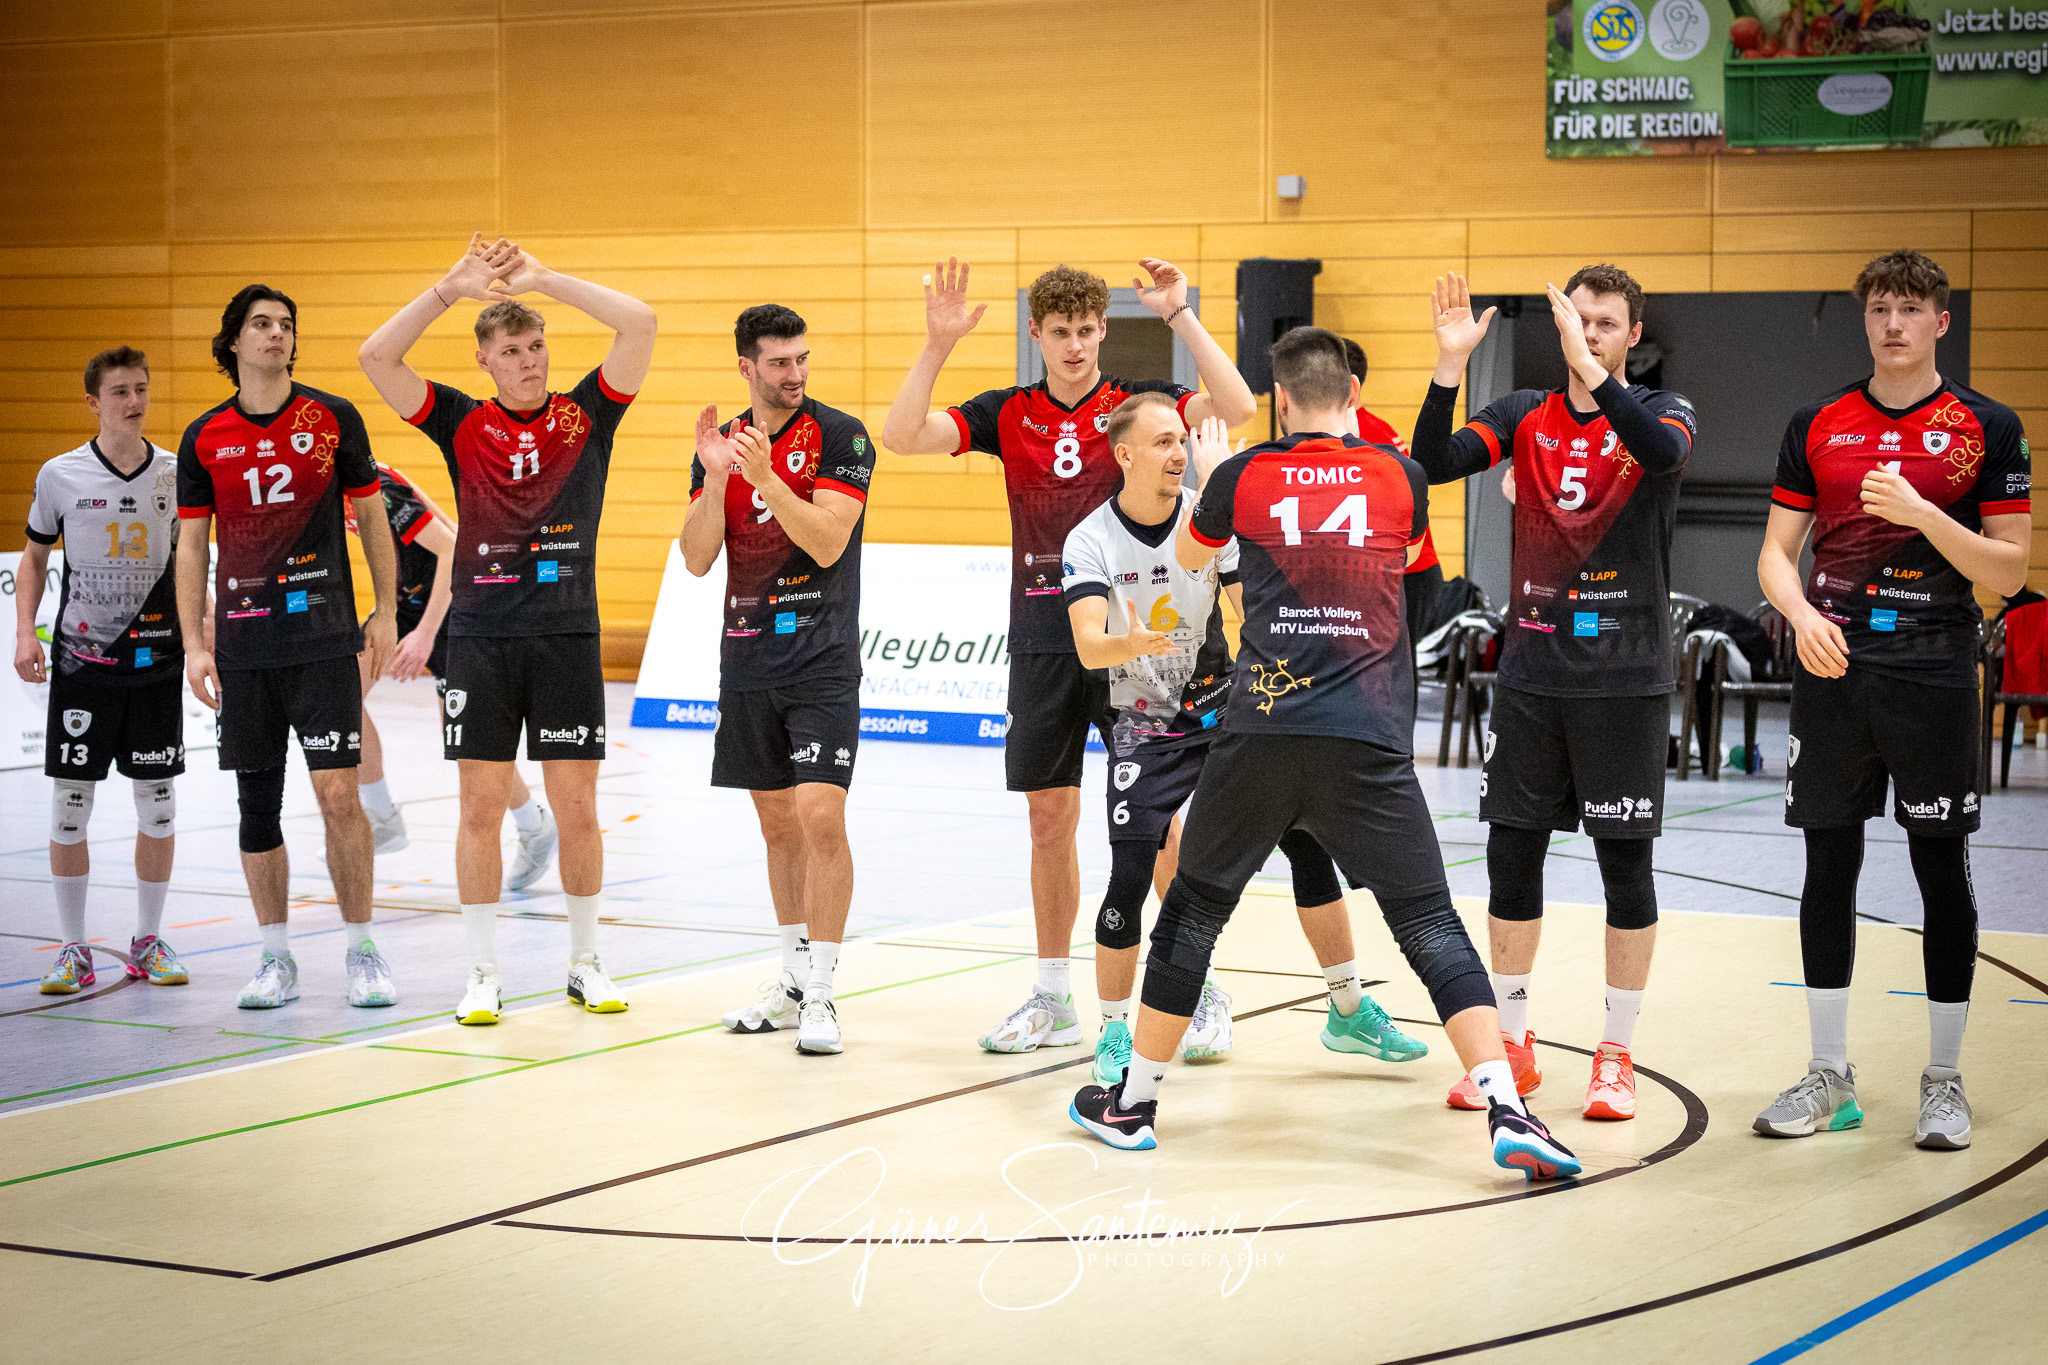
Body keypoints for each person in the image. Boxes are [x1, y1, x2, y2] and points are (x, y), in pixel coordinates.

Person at [1067, 327, 1579, 1181]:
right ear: (1349, 394)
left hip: (1260, 732)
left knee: (1193, 911)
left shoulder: (1239, 478)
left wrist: (1212, 479)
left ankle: (1135, 1103)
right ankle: (1507, 1106)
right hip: (1367, 735)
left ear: (1277, 398)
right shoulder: (1397, 476)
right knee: (1429, 923)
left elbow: (1193, 563)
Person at [881, 256, 1258, 1054]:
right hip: (1048, 640)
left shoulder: (1136, 408)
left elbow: (1238, 406)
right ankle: (1054, 999)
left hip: (1147, 642)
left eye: (1089, 330)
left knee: (1155, 825)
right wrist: (936, 344)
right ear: (1037, 336)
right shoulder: (1007, 411)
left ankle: (1198, 986)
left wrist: (1180, 317)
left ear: (1102, 330)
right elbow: (902, 435)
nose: (1078, 345)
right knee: (1048, 817)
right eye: (1062, 332)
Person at [1063, 397, 1431, 1085]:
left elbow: (1251, 608)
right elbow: (1087, 648)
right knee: (1130, 873)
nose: (1179, 453)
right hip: (1144, 724)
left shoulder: (1211, 518)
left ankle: (1347, 1008)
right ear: (1125, 454)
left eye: (1183, 441)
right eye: (1164, 441)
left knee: (1308, 842)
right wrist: (1131, 642)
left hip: (1227, 710)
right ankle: (1114, 1032)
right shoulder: (1090, 539)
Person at [1754, 249, 2032, 1150]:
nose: (1893, 323)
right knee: (1826, 869)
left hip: (1934, 669)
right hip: (1834, 668)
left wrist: (1921, 514)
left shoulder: (1987, 426)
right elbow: (1774, 552)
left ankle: (1943, 1080)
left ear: (1940, 321)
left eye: (1911, 308)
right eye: (1879, 308)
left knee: (1938, 870)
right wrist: (1798, 613)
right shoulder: (1820, 420)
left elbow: (2010, 568)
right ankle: (1829, 1074)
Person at [1412, 266, 1697, 1122]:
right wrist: (1449, 369)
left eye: (1610, 324)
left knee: (1625, 867)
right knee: (1511, 857)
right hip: (1533, 675)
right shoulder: (1523, 414)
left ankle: (1616, 1053)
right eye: (1583, 321)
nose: (1594, 334)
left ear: (1631, 335)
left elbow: (1659, 453)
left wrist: (1600, 378)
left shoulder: (1666, 410)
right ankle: (1513, 1043)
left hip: (1625, 677)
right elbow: (1430, 464)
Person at [358, 234, 655, 1026]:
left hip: (566, 637)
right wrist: (450, 289)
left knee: (578, 810)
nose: (529, 360)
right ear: (486, 361)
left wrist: (548, 280)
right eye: (512, 350)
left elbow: (642, 325)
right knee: (481, 809)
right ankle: (482, 972)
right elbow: (376, 358)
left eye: (536, 346)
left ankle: (586, 962)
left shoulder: (587, 415)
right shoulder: (459, 421)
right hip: (484, 641)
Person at [176, 286, 402, 1010]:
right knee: (256, 806)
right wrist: (193, 643)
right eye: (262, 324)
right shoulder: (204, 435)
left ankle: (362, 948)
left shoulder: (331, 417)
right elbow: (190, 544)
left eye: (286, 325)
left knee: (340, 793)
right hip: (245, 647)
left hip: (323, 638)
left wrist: (388, 610)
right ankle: (276, 959)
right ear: (234, 342)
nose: (277, 335)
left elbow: (370, 514)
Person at [682, 305, 878, 1056]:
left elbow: (829, 543)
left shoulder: (840, 435)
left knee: (822, 817)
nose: (795, 374)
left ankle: (824, 991)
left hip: (822, 660)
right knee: (776, 826)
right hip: (747, 658)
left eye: (802, 359)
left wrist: (767, 478)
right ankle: (793, 976)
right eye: (778, 363)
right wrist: (714, 479)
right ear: (746, 367)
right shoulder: (722, 443)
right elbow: (699, 558)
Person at [18, 347, 189, 993]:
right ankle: (72, 949)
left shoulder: (176, 473)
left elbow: (195, 556)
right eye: (119, 391)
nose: (134, 401)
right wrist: (23, 634)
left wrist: (200, 635)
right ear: (93, 401)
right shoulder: (60, 475)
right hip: (82, 665)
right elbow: (33, 559)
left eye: (141, 389)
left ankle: (147, 938)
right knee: (69, 807)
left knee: (159, 807)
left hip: (156, 662)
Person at [348, 460, 557, 891]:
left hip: (456, 599)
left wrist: (424, 636)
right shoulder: (325, 490)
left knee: (465, 742)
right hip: (408, 601)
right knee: (339, 698)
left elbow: (452, 547)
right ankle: (382, 817)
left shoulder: (378, 486)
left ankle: (534, 825)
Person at [1341, 336, 1445, 635]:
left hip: (1407, 573)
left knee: (1392, 675)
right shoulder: (1373, 427)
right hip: (1409, 572)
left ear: (1349, 384)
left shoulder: (1367, 433)